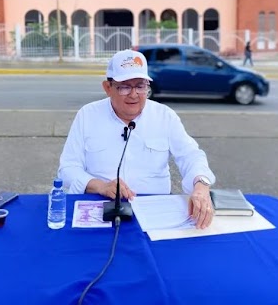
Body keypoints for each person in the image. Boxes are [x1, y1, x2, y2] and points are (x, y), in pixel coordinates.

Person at [58, 49, 216, 229]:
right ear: (108, 88)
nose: (134, 94)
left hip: (155, 210)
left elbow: (191, 155)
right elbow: (67, 169)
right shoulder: (87, 115)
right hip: (100, 207)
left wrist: (201, 185)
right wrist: (100, 186)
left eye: (140, 86)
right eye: (124, 86)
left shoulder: (164, 116)